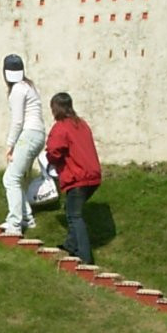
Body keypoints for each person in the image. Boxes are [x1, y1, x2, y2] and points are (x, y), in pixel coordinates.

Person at [45, 92, 102, 265]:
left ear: (55, 108)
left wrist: (51, 161)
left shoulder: (61, 127)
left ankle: (85, 258)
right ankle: (70, 244)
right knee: (71, 210)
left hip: (78, 176)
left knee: (74, 215)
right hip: (93, 176)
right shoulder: (81, 124)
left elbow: (53, 151)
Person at [0, 54, 45, 236]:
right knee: (16, 178)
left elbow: (18, 121)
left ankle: (15, 225)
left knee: (10, 179)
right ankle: (26, 218)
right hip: (37, 134)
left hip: (28, 135)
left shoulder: (17, 89)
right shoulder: (28, 86)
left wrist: (10, 144)